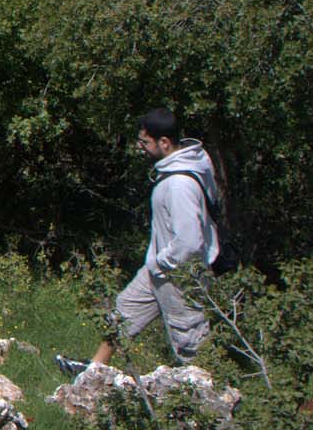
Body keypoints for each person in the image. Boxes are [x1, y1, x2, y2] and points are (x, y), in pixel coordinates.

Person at [57, 107, 222, 375]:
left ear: (164, 143)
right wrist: (156, 265)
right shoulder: (175, 169)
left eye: (145, 142)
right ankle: (93, 371)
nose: (140, 147)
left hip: (179, 276)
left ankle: (207, 401)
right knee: (123, 314)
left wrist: (162, 262)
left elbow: (190, 241)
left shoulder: (180, 184)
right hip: (158, 270)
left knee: (190, 343)